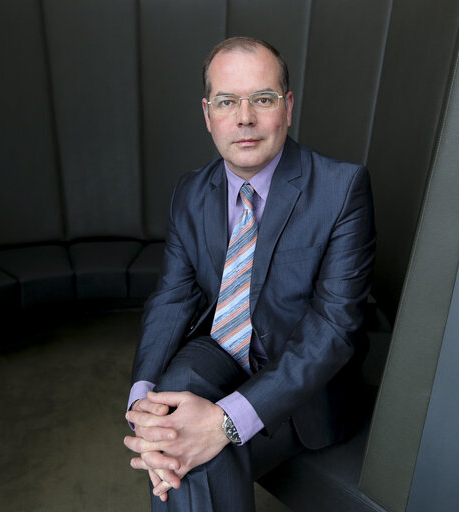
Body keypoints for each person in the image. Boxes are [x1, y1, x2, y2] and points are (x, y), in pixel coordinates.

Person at [123, 36, 376, 511]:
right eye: (226, 101)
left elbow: (334, 330)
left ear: (288, 106)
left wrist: (224, 422)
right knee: (170, 422)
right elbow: (172, 299)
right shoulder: (190, 192)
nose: (244, 118)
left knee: (189, 455)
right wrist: (143, 402)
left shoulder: (342, 189)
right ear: (207, 114)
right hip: (219, 352)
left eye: (262, 98)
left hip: (302, 391)